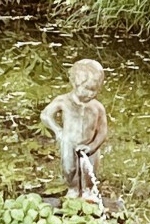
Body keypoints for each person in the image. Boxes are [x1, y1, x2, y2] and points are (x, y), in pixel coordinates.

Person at [40, 59, 109, 196]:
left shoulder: (97, 107)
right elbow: (46, 115)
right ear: (75, 84)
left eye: (94, 90)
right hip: (69, 142)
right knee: (69, 169)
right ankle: (73, 189)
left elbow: (102, 130)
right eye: (87, 89)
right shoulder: (64, 101)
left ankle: (88, 191)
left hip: (90, 145)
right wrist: (57, 130)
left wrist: (93, 146)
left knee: (89, 171)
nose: (91, 94)